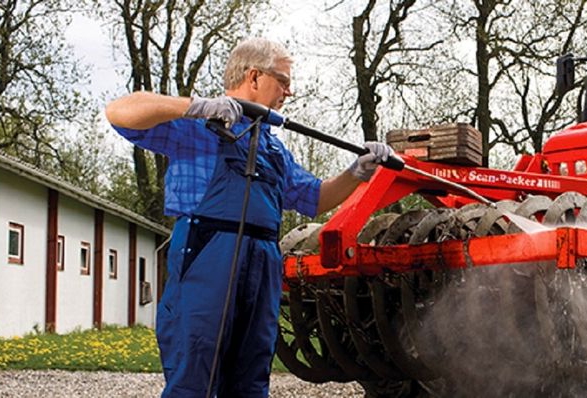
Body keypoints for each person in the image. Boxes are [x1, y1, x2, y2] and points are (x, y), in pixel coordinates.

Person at [104, 37, 393, 397]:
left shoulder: (274, 148)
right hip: (207, 252)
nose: (289, 92)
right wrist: (195, 106)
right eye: (283, 81)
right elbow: (120, 112)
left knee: (252, 374)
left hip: (263, 261)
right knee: (196, 371)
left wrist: (357, 172)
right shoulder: (196, 128)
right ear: (254, 77)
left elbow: (315, 198)